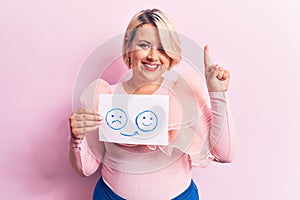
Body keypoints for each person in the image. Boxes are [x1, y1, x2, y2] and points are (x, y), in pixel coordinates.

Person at [68, 8, 236, 200]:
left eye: (163, 48)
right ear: (129, 48)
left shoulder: (184, 94)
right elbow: (86, 169)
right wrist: (76, 138)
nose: (153, 56)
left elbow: (226, 154)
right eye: (144, 45)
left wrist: (218, 93)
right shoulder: (104, 96)